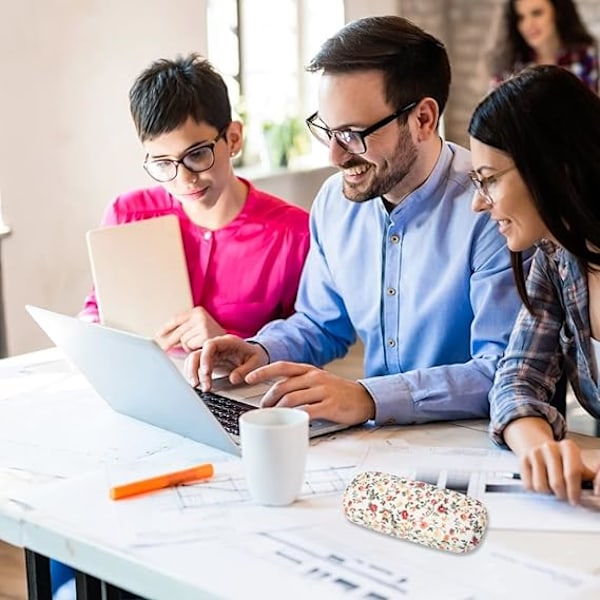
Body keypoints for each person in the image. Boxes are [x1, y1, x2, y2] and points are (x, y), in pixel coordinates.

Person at [187, 15, 526, 429]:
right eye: (326, 130)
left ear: (422, 119)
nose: (335, 156)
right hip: (382, 439)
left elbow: (502, 370)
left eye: (352, 134)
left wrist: (368, 397)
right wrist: (260, 350)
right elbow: (320, 324)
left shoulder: (491, 209)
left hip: (480, 440)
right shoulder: (335, 201)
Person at [80, 54, 310, 352]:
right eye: (163, 163)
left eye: (198, 154)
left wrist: (236, 344)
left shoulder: (294, 233)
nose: (184, 179)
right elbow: (98, 308)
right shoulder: (127, 214)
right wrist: (86, 328)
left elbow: (311, 337)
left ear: (234, 138)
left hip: (242, 390)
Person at [469, 64, 600, 505]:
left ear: (552, 166)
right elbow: (517, 379)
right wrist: (539, 447)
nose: (477, 203)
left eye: (488, 179)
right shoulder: (556, 258)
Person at [486, 0, 598, 93]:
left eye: (537, 13)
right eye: (520, 18)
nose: (528, 24)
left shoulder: (587, 58)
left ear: (557, 12)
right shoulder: (508, 71)